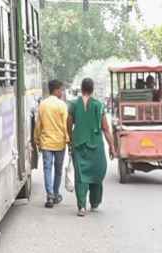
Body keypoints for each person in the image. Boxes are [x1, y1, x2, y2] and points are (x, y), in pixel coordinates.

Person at [67, 78, 116, 217]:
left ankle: (81, 207)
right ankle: (94, 203)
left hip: (79, 145)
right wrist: (111, 146)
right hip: (96, 146)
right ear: (92, 89)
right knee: (97, 173)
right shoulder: (98, 105)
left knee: (81, 176)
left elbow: (68, 124)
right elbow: (106, 129)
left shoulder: (73, 104)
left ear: (81, 88)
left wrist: (71, 139)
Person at [34, 79, 69, 208]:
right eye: (61, 89)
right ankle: (55, 193)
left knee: (47, 169)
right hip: (60, 143)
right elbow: (66, 125)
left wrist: (37, 139)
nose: (62, 92)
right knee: (58, 170)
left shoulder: (43, 105)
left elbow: (38, 125)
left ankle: (49, 196)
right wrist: (68, 139)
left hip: (46, 142)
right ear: (56, 90)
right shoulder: (62, 105)